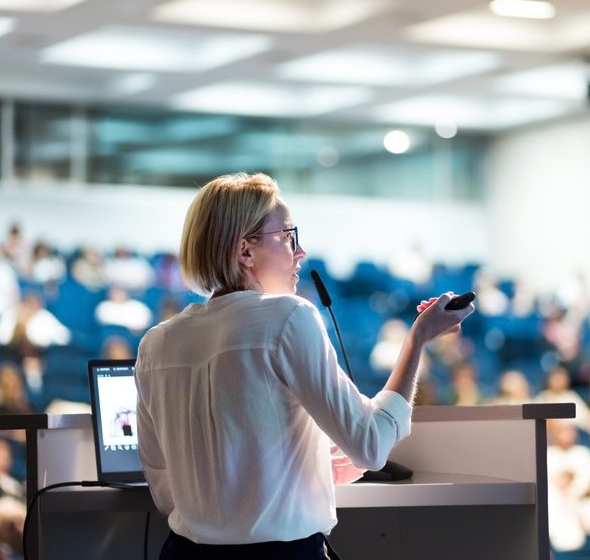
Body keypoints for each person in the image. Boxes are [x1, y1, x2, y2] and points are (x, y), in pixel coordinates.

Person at [135, 172, 473, 558]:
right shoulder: (288, 317)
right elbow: (370, 445)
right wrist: (418, 340)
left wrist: (307, 471)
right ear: (246, 251)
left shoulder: (156, 343)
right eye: (289, 236)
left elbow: (166, 490)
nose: (301, 251)